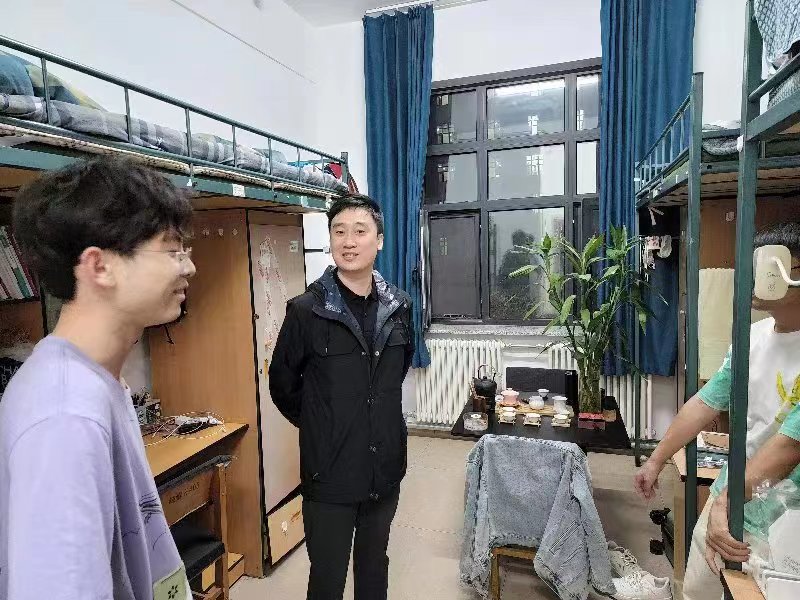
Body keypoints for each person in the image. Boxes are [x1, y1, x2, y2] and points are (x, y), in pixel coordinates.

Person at [0, 157, 196, 600]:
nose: (189, 267)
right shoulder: (64, 414)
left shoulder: (96, 380)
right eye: (172, 250)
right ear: (100, 266)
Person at [634, 221, 800, 600]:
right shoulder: (752, 338)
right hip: (729, 495)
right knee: (698, 591)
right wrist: (656, 460)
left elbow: (790, 445)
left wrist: (727, 503)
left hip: (785, 514)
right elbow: (704, 403)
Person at [269, 194, 415, 600]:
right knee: (327, 578)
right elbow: (282, 384)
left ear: (379, 240)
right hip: (329, 473)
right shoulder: (306, 311)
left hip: (384, 468)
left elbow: (393, 376)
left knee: (374, 569)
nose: (349, 242)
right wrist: (324, 423)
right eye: (339, 232)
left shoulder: (400, 306)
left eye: (360, 231)